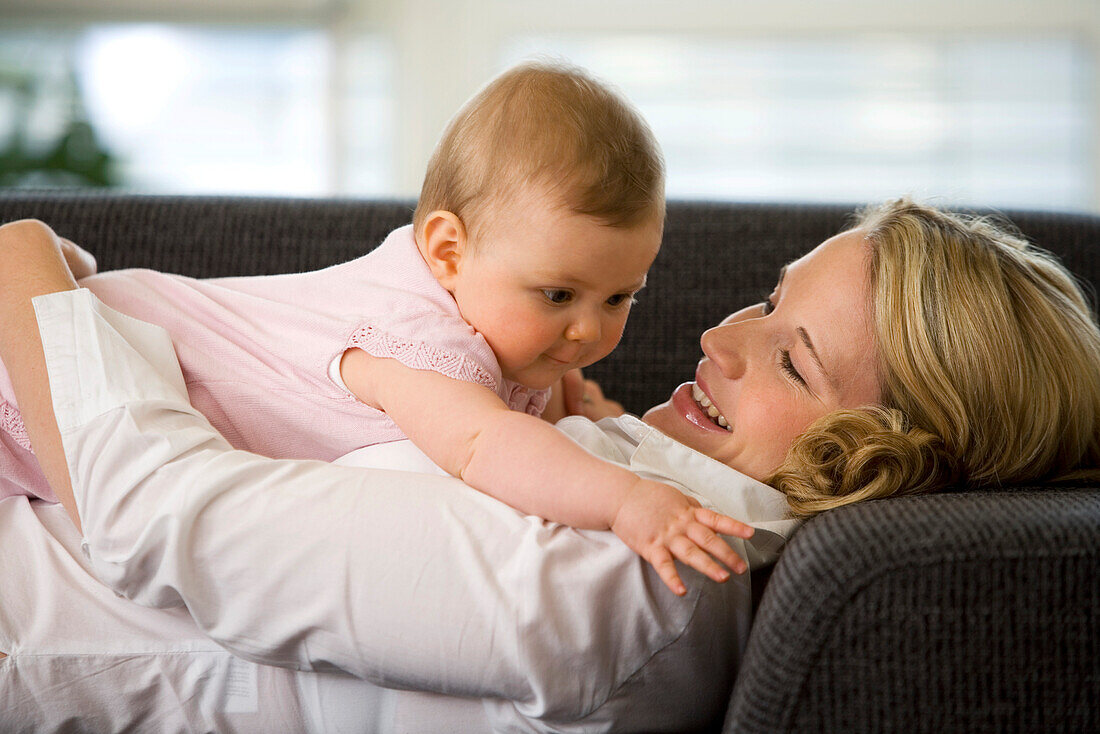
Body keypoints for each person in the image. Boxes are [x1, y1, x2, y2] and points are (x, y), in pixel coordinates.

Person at [3, 198, 1100, 731]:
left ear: (873, 459)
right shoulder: (644, 489)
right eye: (765, 297)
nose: (718, 333)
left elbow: (157, 519)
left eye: (789, 356)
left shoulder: (616, 582)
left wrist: (31, 274)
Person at [0, 60, 752, 597]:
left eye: (621, 298)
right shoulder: (416, 334)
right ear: (448, 251)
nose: (588, 330)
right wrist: (624, 499)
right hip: (69, 370)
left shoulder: (510, 325)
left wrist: (582, 413)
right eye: (559, 294)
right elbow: (486, 444)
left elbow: (544, 418)